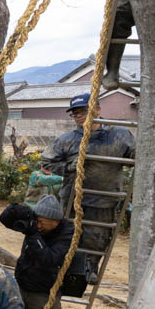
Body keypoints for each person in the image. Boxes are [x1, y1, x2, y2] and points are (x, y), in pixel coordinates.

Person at [41, 92, 135, 275]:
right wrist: (70, 166)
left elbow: (136, 156)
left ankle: (90, 267)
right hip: (73, 198)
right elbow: (47, 162)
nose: (80, 117)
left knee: (98, 236)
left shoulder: (119, 135)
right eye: (75, 113)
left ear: (97, 109)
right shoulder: (67, 140)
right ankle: (63, 270)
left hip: (104, 198)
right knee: (66, 234)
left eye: (83, 111)